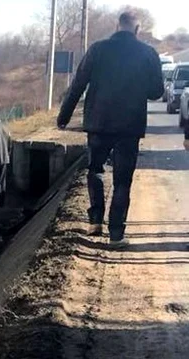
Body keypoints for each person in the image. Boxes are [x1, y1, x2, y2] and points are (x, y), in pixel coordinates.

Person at [57, 11, 164, 249]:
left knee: (95, 170)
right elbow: (156, 92)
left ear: (117, 26)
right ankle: (116, 234)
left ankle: (95, 221)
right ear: (137, 30)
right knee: (122, 180)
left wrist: (63, 117)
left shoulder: (97, 49)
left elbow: (78, 84)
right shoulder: (148, 53)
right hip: (130, 126)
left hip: (99, 123)